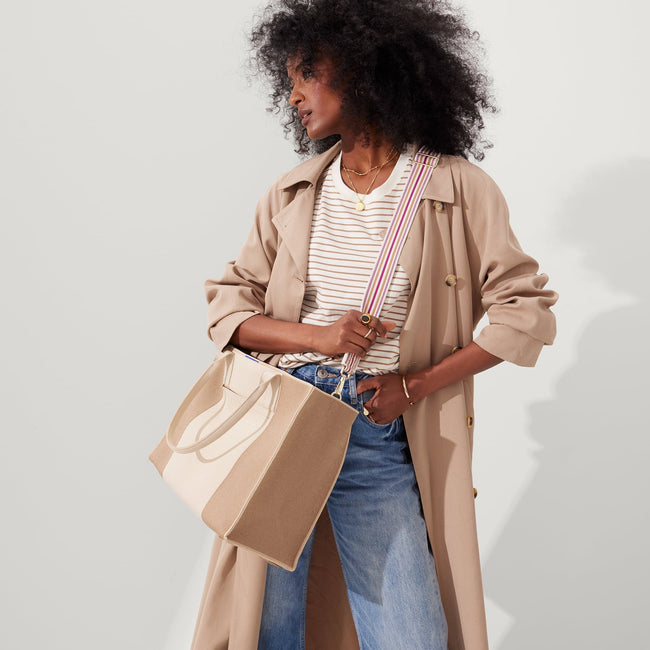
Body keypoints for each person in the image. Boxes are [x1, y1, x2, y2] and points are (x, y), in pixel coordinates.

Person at [191, 1, 558, 649]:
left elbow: (522, 310)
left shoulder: (456, 188)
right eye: (288, 81)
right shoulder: (291, 193)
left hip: (374, 428)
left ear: (363, 66)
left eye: (308, 72)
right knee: (269, 629)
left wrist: (413, 387)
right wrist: (318, 338)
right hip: (283, 420)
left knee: (411, 634)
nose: (295, 94)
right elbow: (229, 310)